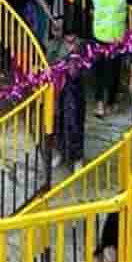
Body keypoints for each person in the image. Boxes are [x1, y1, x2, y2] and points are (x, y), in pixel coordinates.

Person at [51, 28, 87, 170]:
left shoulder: (82, 50)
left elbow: (76, 72)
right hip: (61, 93)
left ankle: (77, 158)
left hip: (76, 95)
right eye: (68, 41)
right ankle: (60, 153)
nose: (70, 44)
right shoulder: (57, 48)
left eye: (73, 41)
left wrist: (73, 58)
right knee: (59, 123)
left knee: (76, 125)